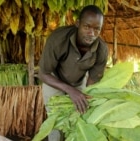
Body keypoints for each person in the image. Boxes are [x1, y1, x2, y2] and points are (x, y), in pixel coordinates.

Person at [38, 5, 108, 141]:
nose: (91, 33)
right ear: (77, 24)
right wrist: (70, 90)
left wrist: (87, 96)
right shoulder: (58, 39)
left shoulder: (101, 50)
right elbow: (43, 73)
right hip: (53, 79)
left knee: (78, 118)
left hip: (78, 82)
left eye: (96, 29)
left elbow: (93, 81)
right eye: (87, 27)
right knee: (56, 121)